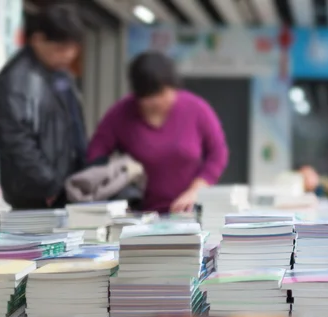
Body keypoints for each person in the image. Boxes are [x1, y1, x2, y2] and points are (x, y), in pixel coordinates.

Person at [87, 51, 228, 213]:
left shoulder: (196, 109)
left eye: (163, 93)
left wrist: (196, 190)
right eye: (150, 97)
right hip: (137, 214)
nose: (157, 102)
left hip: (188, 211)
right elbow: (96, 153)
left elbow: (218, 152)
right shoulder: (120, 114)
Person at [0, 4, 86, 209]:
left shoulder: (60, 75)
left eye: (73, 49)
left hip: (63, 192)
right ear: (37, 40)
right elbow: (17, 142)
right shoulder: (16, 81)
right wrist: (49, 185)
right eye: (61, 48)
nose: (68, 56)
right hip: (37, 198)